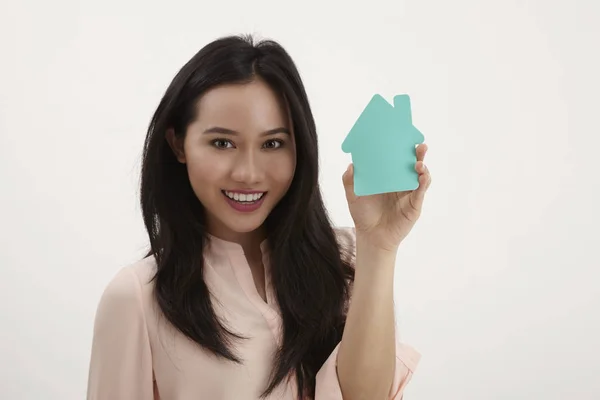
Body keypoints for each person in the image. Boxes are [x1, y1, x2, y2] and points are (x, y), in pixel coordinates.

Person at [86, 34, 431, 400]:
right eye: (222, 143)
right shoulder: (138, 299)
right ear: (178, 144)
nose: (249, 173)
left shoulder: (345, 261)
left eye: (272, 144)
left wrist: (378, 245)